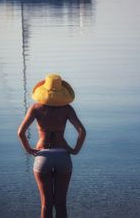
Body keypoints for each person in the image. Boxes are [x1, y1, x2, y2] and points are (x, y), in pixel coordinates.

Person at [18, 74, 86, 218]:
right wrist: (75, 150)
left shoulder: (36, 108)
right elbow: (82, 131)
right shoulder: (67, 109)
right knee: (61, 204)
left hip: (43, 156)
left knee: (46, 204)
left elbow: (21, 133)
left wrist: (29, 150)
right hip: (63, 155)